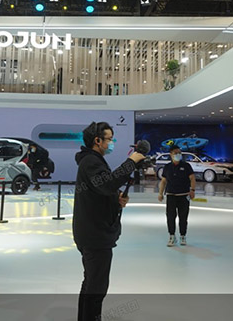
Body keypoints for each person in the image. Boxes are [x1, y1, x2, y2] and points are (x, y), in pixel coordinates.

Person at [73, 121, 145, 321]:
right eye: (109, 139)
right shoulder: (91, 162)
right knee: (96, 287)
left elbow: (101, 189)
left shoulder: (92, 161)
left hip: (93, 233)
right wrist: (131, 162)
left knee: (91, 283)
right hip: (95, 235)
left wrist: (116, 198)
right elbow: (107, 184)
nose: (111, 143)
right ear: (97, 140)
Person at [158, 145, 196, 246]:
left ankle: (183, 236)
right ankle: (172, 236)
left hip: (184, 195)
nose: (178, 155)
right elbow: (163, 181)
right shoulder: (167, 167)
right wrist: (160, 193)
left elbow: (192, 178)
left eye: (179, 153)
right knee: (170, 216)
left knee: (183, 217)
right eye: (176, 153)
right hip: (171, 195)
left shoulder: (186, 166)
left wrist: (192, 190)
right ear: (171, 154)